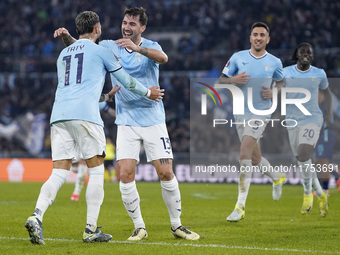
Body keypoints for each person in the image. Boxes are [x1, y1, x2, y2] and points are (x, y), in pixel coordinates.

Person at [54, 7, 200, 240]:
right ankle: (139, 227)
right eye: (125, 22)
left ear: (142, 27)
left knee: (165, 171)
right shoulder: (109, 46)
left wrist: (138, 49)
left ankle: (176, 225)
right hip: (126, 122)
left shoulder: (151, 46)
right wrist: (66, 37)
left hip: (153, 119)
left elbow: (164, 59)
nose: (127, 27)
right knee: (125, 174)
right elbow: (83, 46)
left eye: (132, 24)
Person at [25, 10, 163, 245]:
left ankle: (36, 215)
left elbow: (78, 89)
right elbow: (127, 81)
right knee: (96, 170)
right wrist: (148, 91)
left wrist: (107, 98)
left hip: (59, 116)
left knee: (58, 172)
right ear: (97, 29)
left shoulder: (62, 55)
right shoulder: (102, 51)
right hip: (86, 117)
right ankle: (90, 230)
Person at [219, 22, 286, 222]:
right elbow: (221, 80)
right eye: (255, 34)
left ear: (268, 39)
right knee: (255, 159)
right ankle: (277, 178)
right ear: (250, 38)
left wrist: (274, 92)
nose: (258, 38)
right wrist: (234, 79)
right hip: (241, 114)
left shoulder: (275, 62)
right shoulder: (237, 57)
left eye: (262, 35)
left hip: (261, 113)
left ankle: (240, 207)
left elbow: (282, 82)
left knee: (244, 154)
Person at [270, 43, 331, 217]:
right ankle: (320, 194)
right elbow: (277, 89)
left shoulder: (320, 73)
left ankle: (307, 194)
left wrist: (328, 116)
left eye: (309, 52)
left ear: (312, 56)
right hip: (291, 121)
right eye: (303, 52)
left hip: (312, 119)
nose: (306, 54)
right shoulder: (286, 72)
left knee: (304, 154)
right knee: (303, 161)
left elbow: (326, 93)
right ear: (296, 54)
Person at [314, 91, 340, 194]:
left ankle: (325, 189)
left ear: (321, 94)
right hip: (323, 134)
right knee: (318, 161)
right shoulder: (321, 105)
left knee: (322, 160)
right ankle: (337, 176)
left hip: (325, 134)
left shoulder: (324, 106)